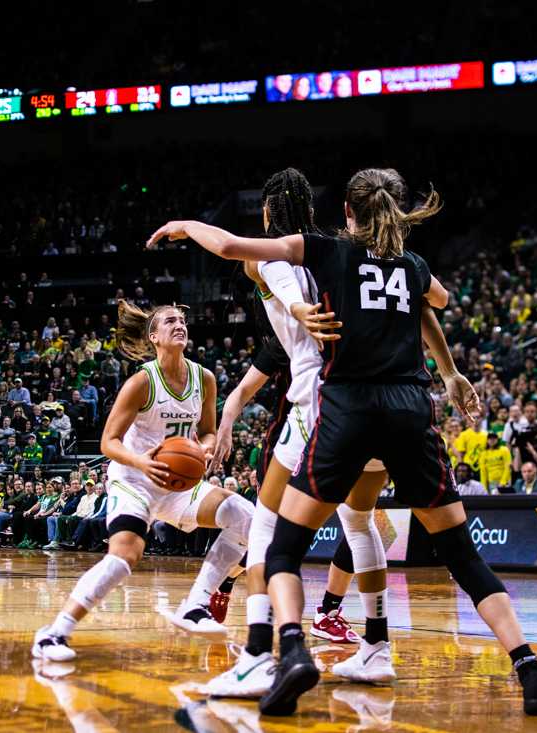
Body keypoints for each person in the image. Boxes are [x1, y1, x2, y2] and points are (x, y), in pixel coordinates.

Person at [149, 166, 537, 716]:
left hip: (338, 410)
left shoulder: (324, 252)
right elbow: (432, 301)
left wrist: (184, 223)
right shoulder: (413, 265)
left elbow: (232, 247)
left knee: (278, 544)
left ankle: (278, 648)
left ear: (347, 212)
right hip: (410, 414)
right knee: (444, 550)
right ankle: (520, 667)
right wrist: (448, 370)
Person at [201, 168, 390, 697]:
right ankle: (376, 645)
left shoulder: (272, 256)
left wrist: (297, 310)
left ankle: (262, 651)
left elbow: (279, 281)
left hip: (317, 396)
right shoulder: (337, 249)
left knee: (266, 525)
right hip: (372, 397)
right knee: (359, 520)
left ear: (267, 213)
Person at [33, 300, 254, 662]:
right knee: (124, 556)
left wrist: (205, 450)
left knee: (247, 518)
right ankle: (54, 632)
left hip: (179, 484)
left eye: (183, 320)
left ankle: (195, 605)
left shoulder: (205, 379)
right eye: (170, 321)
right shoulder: (141, 382)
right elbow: (109, 442)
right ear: (154, 336)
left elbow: (209, 432)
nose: (179, 325)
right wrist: (142, 462)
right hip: (135, 479)